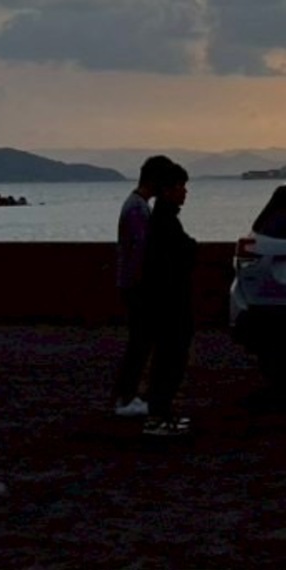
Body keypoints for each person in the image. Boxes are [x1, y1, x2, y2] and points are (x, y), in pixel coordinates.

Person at [111, 153, 176, 417]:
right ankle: (126, 399)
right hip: (136, 286)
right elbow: (139, 251)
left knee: (139, 343)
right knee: (139, 344)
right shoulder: (138, 208)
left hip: (130, 284)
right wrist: (142, 284)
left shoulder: (135, 205)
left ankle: (126, 396)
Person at [141, 160, 198, 437]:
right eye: (180, 187)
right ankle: (158, 417)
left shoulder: (163, 219)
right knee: (170, 360)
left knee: (169, 359)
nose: (184, 192)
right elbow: (182, 253)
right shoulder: (165, 221)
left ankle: (162, 414)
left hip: (168, 299)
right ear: (167, 190)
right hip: (170, 301)